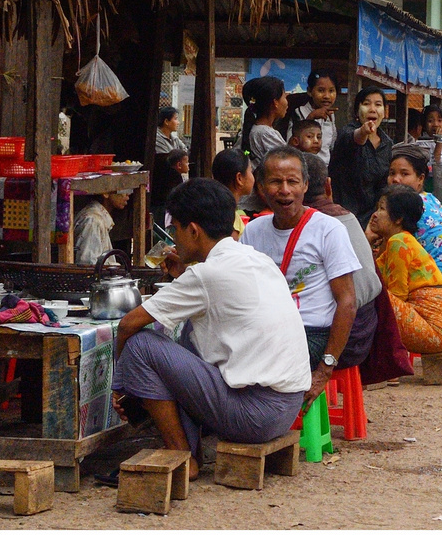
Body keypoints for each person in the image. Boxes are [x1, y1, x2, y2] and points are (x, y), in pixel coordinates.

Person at [112, 179, 309, 478]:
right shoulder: (257, 259)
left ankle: (182, 456)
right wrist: (183, 278)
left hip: (255, 414)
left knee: (141, 346)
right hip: (286, 409)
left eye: (177, 229)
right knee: (190, 336)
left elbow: (128, 324)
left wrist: (121, 385)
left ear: (193, 230)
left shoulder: (207, 274)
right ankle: (186, 448)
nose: (175, 239)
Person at [240, 148, 359, 398]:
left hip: (311, 333)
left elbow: (347, 301)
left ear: (305, 185)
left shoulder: (329, 230)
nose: (285, 190)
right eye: (275, 182)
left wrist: (326, 368)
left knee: (249, 364)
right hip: (269, 330)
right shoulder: (253, 231)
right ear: (261, 188)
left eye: (292, 181)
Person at [302, 161, 382, 369]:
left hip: (341, 339)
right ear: (328, 186)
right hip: (364, 331)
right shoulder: (349, 217)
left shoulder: (317, 225)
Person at [365, 185, 442, 356]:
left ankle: (385, 364)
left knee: (371, 295)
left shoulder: (398, 242)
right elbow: (373, 272)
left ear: (398, 218)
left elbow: (396, 296)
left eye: (382, 209)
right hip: (440, 331)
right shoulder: (401, 240)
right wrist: (368, 239)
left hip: (433, 331)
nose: (375, 214)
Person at [386, 149, 442, 312]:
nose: (396, 179)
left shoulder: (408, 208)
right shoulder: (430, 198)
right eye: (392, 173)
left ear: (420, 179)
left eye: (404, 174)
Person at [328, 85, 392, 224]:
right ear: (357, 110)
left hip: (371, 216)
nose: (372, 109)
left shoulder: (387, 143)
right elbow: (354, 138)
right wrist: (363, 132)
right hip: (344, 213)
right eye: (366, 104)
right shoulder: (346, 133)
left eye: (378, 104)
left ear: (384, 111)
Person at [286, 70, 339, 166]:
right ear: (310, 91)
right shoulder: (299, 113)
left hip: (324, 169)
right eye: (321, 90)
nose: (327, 96)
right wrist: (311, 117)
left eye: (331, 91)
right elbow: (290, 146)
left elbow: (331, 146)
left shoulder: (331, 114)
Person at [240, 76, 290, 175]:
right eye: (284, 97)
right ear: (275, 102)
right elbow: (286, 164)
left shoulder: (251, 130)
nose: (287, 103)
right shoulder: (265, 134)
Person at [74, 189, 130, 265]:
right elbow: (88, 264)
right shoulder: (93, 220)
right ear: (106, 193)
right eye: (123, 187)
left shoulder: (97, 218)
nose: (128, 193)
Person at [209, 148, 255, 237]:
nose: (253, 177)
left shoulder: (217, 210)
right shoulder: (230, 219)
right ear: (239, 178)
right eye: (251, 171)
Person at [288, 119, 328, 187]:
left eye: (319, 137)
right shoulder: (291, 164)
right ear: (295, 141)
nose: (316, 141)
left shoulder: (319, 163)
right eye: (309, 136)